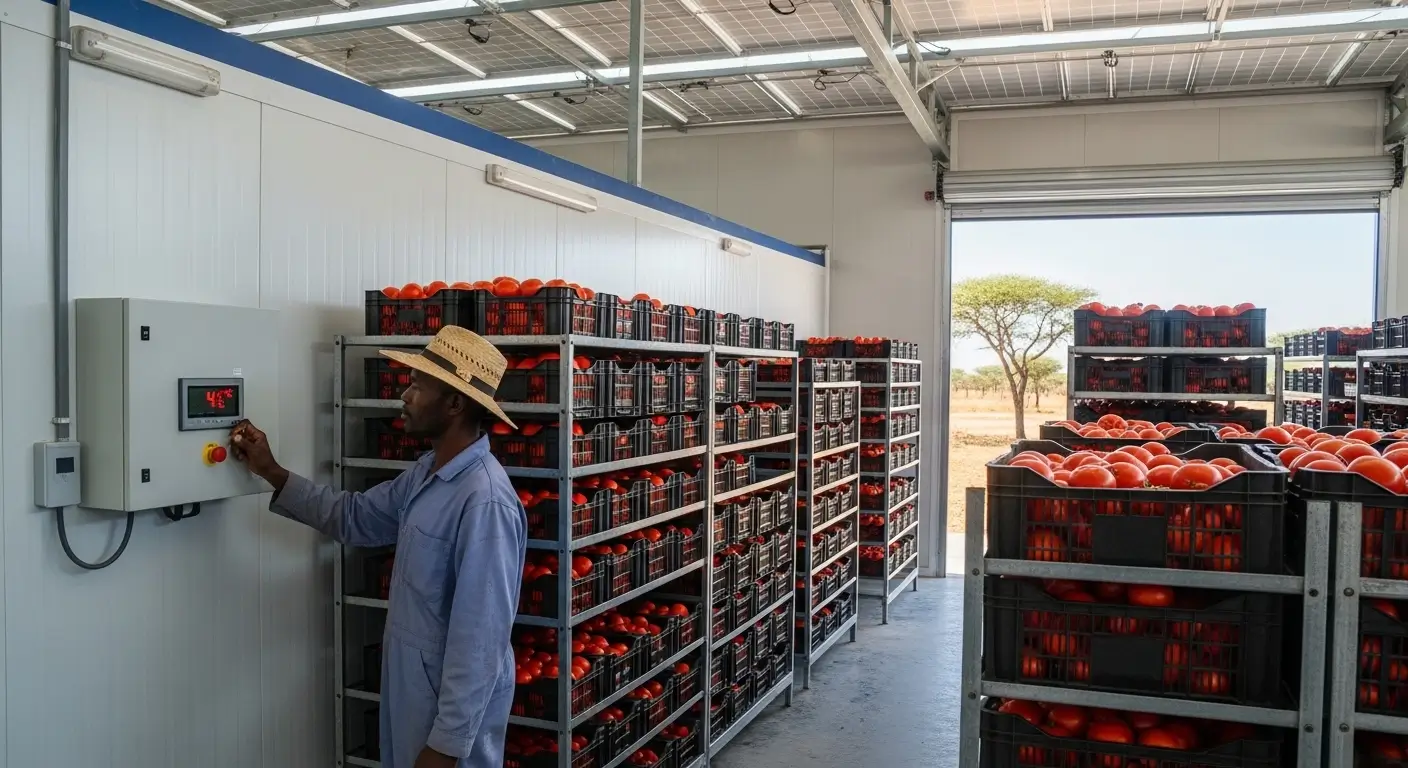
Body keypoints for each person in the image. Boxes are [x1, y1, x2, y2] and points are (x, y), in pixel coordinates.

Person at [229, 326, 527, 768]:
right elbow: (356, 517)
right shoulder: (428, 472)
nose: (404, 396)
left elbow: (480, 639)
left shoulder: (485, 500)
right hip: (413, 687)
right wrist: (272, 472)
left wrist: (447, 744)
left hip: (448, 708)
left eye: (417, 386)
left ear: (455, 403)